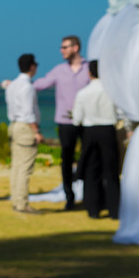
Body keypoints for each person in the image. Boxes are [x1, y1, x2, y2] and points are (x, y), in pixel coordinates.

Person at [32, 35, 89, 209]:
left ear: (75, 48)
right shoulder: (59, 70)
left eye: (65, 47)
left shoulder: (89, 68)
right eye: (61, 47)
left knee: (88, 155)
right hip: (65, 121)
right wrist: (20, 84)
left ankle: (88, 191)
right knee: (66, 158)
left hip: (87, 120)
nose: (61, 50)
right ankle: (69, 197)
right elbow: (40, 84)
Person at [72, 60, 122, 220]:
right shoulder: (112, 92)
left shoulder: (83, 93)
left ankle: (93, 209)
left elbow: (76, 118)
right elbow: (120, 113)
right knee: (111, 171)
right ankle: (114, 210)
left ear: (89, 73)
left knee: (91, 171)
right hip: (108, 130)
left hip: (89, 132)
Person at [6, 53, 45, 215]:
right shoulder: (27, 86)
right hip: (24, 127)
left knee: (17, 165)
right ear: (32, 67)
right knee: (25, 168)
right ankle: (21, 203)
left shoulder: (13, 85)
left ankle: (17, 200)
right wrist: (36, 131)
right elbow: (28, 113)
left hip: (14, 125)